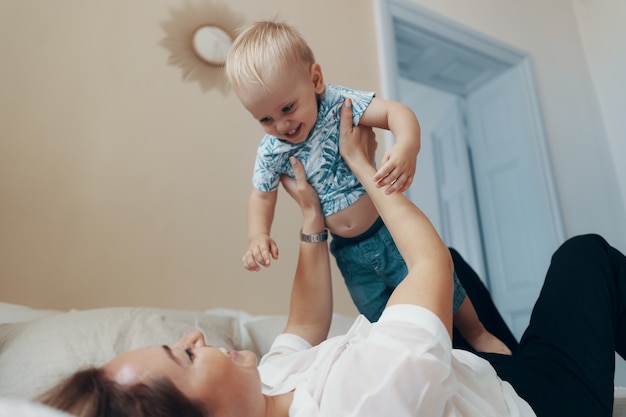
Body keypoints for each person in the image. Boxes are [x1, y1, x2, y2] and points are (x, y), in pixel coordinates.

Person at [39, 99, 626, 417]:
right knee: (584, 256)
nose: (195, 335)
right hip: (534, 401)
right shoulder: (358, 403)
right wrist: (363, 166)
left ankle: (493, 344)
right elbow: (427, 271)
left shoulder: (267, 386)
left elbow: (303, 326)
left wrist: (312, 223)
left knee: (461, 276)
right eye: (185, 355)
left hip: (464, 377)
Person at [224, 19, 510, 355]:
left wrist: (407, 146)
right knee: (380, 316)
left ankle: (477, 333)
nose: (281, 125)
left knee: (445, 288)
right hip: (348, 252)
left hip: (388, 230)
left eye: (287, 108)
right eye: (265, 119)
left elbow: (395, 112)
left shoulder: (338, 104)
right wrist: (258, 235)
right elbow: (261, 194)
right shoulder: (272, 149)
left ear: (315, 80)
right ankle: (415, 359)